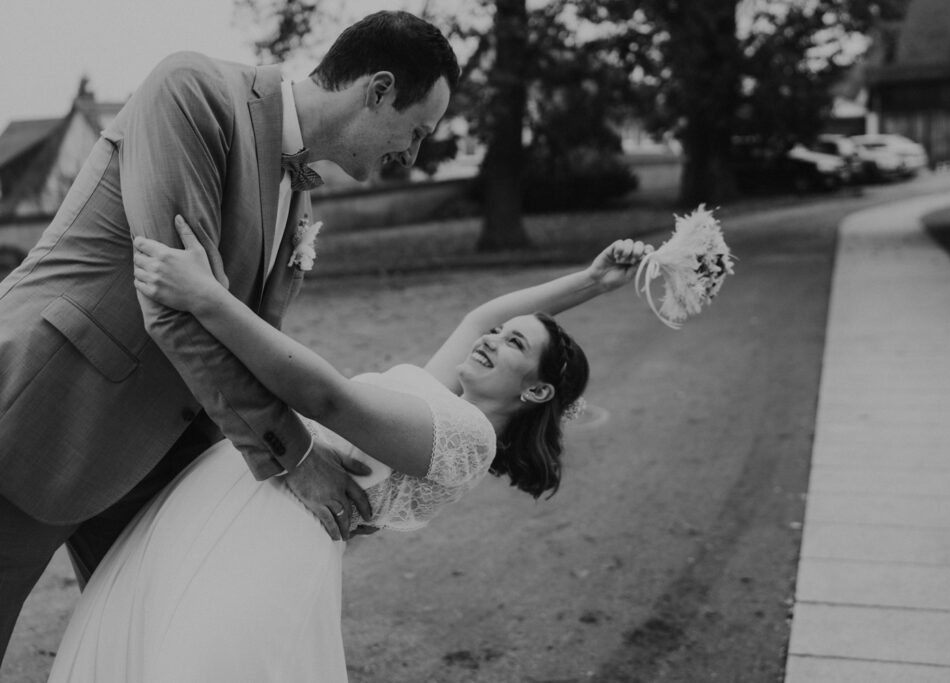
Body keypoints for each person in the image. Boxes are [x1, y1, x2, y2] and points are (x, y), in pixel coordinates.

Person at [0, 10, 461, 663]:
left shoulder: (298, 197)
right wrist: (294, 458)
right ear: (377, 90)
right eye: (415, 131)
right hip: (43, 409)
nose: (412, 155)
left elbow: (246, 338)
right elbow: (174, 301)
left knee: (148, 639)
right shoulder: (195, 91)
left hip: (151, 454)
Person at [43, 216, 653, 682]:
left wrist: (206, 298)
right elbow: (483, 313)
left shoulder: (467, 440)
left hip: (269, 531)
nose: (493, 338)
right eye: (501, 335)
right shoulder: (447, 401)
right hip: (243, 497)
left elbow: (329, 402)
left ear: (538, 388)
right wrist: (593, 281)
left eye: (514, 344)